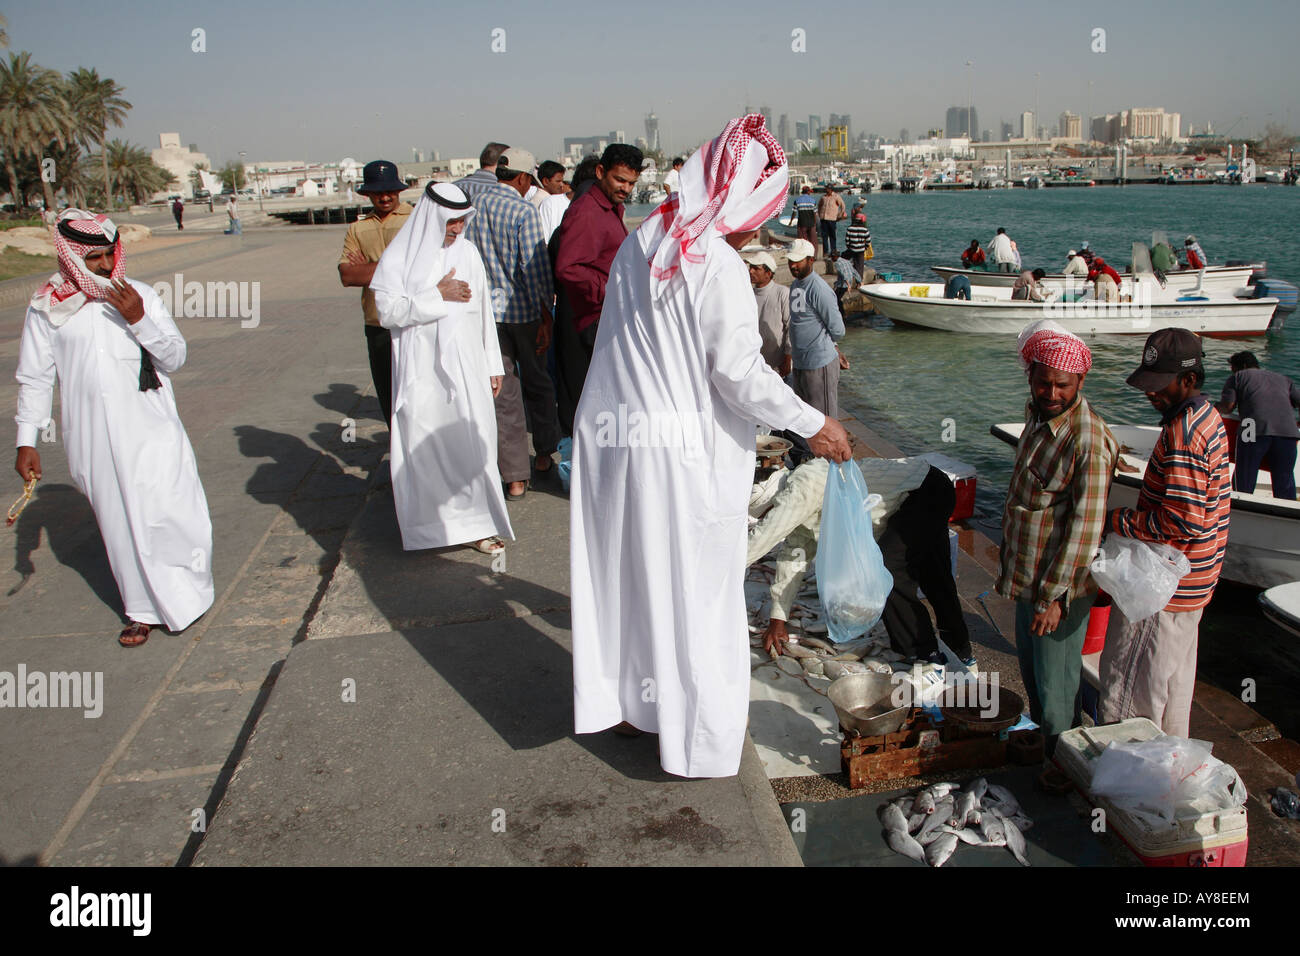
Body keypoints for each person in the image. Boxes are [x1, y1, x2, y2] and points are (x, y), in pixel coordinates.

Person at [569, 115, 852, 778]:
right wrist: (813, 421)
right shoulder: (717, 264)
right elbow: (739, 374)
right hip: (679, 460)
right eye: (759, 212)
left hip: (618, 443)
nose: (761, 230)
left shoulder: (648, 238)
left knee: (640, 585)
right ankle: (698, 747)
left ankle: (641, 711)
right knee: (697, 596)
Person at [15, 210, 214, 647]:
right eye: (95, 258)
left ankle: (189, 593)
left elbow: (175, 358)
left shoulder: (138, 294)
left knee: (171, 508)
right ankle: (140, 609)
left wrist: (140, 319)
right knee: (120, 521)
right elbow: (35, 377)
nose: (107, 266)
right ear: (70, 257)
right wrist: (26, 440)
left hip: (151, 426)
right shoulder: (48, 306)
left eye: (110, 254)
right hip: (93, 435)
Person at [997, 319, 1118, 780]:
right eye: (1044, 381)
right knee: (1034, 677)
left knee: (1057, 684)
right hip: (1030, 581)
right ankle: (1053, 754)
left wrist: (1053, 599)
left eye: (1062, 385)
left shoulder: (1087, 439)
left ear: (1080, 383)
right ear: (1030, 377)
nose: (1052, 392)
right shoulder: (1038, 416)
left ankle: (1066, 768)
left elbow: (1084, 532)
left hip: (1058, 592)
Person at [1099, 329, 1232, 738]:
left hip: (1165, 594)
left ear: (1189, 381)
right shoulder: (1207, 419)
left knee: (1130, 698)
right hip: (1194, 585)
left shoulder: (1184, 435)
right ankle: (1164, 784)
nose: (1151, 394)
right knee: (1172, 693)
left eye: (1161, 386)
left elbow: (1181, 523)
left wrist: (1116, 520)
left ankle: (1125, 786)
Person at [370, 183, 513, 556]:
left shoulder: (468, 252)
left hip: (467, 368)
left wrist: (492, 365)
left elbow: (483, 314)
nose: (458, 228)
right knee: (426, 447)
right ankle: (433, 529)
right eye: (451, 221)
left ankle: (477, 525)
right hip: (422, 375)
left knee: (472, 444)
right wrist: (438, 295)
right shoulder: (401, 257)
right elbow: (386, 312)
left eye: (463, 220)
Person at [750, 455, 975, 668]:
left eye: (768, 513)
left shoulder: (800, 487)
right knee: (934, 574)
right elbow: (792, 559)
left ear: (774, 502)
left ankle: (924, 653)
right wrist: (777, 618)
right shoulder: (799, 507)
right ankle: (960, 649)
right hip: (926, 488)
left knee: (889, 570)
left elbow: (764, 536)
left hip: (924, 490)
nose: (768, 518)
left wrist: (721, 568)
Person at [463, 146, 560, 500]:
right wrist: (546, 313)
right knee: (538, 383)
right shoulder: (522, 210)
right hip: (523, 313)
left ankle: (514, 477)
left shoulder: (472, 210)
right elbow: (534, 268)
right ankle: (545, 456)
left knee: (503, 393)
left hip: (486, 317)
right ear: (522, 178)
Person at [553, 143, 643, 436]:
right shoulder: (587, 211)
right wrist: (610, 290)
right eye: (620, 180)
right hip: (593, 320)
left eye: (631, 183)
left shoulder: (611, 207)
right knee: (599, 405)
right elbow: (568, 267)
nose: (626, 188)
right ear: (601, 171)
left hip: (607, 316)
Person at [338, 159, 413, 424]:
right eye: (378, 192)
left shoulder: (414, 220)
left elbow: (419, 270)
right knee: (388, 400)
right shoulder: (358, 228)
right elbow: (347, 275)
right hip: (377, 322)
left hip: (411, 320)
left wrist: (369, 269)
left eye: (390, 191)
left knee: (415, 397)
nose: (384, 197)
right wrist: (397, 267)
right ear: (367, 193)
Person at [1215, 350, 1299, 499]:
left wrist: (1214, 407)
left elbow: (1227, 407)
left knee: (1244, 477)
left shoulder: (1238, 377)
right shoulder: (1284, 379)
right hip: (1288, 431)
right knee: (1284, 481)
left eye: (1233, 368)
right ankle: (1285, 515)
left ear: (1243, 366)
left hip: (1252, 428)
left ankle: (1241, 508)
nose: (1232, 372)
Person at [785, 238, 845, 418]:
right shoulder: (796, 285)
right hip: (801, 363)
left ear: (810, 260)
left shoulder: (819, 289)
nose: (793, 265)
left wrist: (831, 346)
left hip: (819, 363)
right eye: (790, 261)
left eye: (798, 261)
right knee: (806, 420)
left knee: (824, 420)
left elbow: (838, 330)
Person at [745, 251, 791, 375]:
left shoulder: (783, 293)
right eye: (750, 267)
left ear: (768, 273)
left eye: (756, 268)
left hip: (777, 365)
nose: (751, 271)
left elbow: (790, 328)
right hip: (753, 365)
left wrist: (788, 358)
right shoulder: (747, 294)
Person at [816, 184, 846, 259]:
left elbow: (842, 206)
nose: (826, 190)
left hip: (832, 219)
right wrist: (819, 214)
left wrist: (839, 215)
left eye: (828, 189)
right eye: (826, 189)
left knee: (832, 236)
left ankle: (833, 251)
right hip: (824, 218)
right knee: (824, 236)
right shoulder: (823, 197)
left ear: (831, 189)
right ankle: (825, 252)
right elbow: (819, 205)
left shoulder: (836, 197)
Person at [830, 251, 863, 319]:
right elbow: (854, 271)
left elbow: (843, 274)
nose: (831, 259)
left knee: (836, 298)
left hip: (843, 284)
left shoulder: (837, 263)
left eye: (832, 257)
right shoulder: (846, 261)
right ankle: (841, 313)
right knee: (836, 296)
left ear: (835, 257)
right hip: (846, 282)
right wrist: (860, 281)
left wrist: (848, 286)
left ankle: (842, 314)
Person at [788, 186, 819, 257]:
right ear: (808, 192)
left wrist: (791, 221)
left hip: (802, 223)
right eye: (809, 192)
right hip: (811, 223)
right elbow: (815, 214)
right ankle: (814, 256)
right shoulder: (813, 201)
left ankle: (803, 255)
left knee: (802, 241)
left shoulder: (797, 200)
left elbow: (794, 213)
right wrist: (815, 223)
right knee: (813, 241)